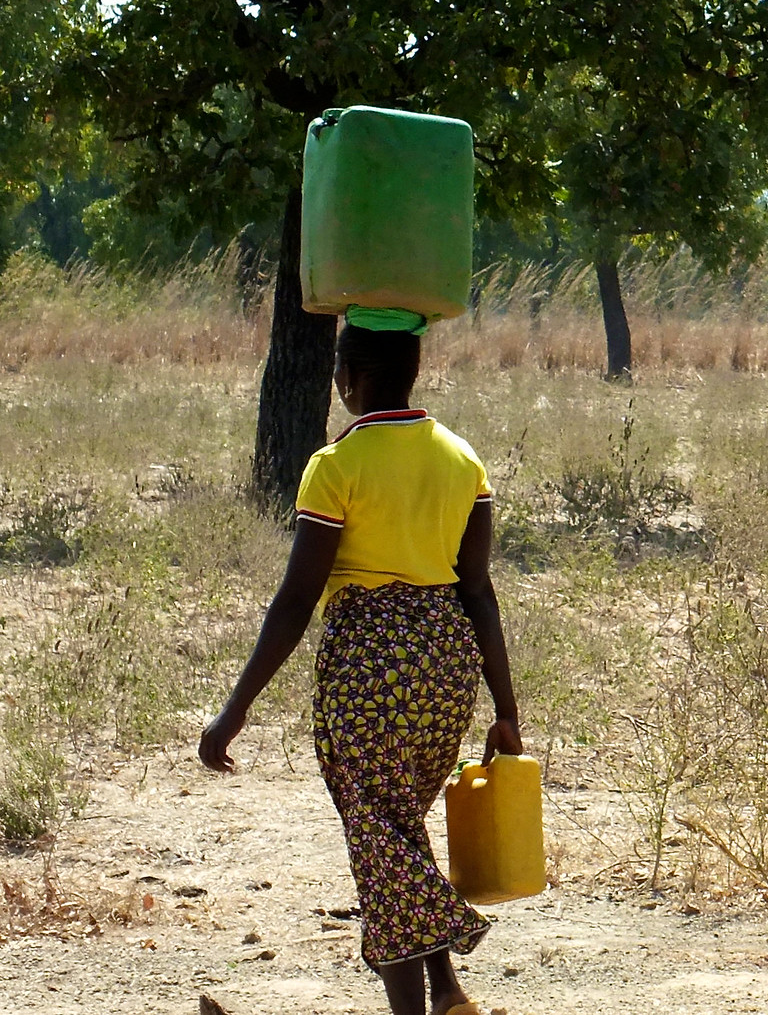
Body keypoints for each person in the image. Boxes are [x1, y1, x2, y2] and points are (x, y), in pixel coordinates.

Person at [200, 310, 521, 1015]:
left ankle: (416, 1007)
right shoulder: (462, 459)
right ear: (412, 372)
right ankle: (450, 996)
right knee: (396, 831)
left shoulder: (335, 467)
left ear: (345, 379)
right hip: (446, 670)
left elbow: (295, 601)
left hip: (369, 671)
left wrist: (235, 709)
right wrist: (505, 709)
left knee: (381, 846)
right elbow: (479, 591)